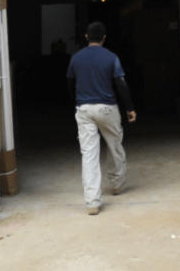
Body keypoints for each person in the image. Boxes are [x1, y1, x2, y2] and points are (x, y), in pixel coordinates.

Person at [66, 21, 137, 215]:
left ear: (86, 37)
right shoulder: (111, 57)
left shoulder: (76, 58)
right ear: (104, 38)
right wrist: (129, 108)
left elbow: (70, 84)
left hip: (84, 109)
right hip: (107, 108)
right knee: (114, 144)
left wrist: (77, 103)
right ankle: (116, 184)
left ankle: (92, 202)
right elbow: (121, 84)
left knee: (89, 154)